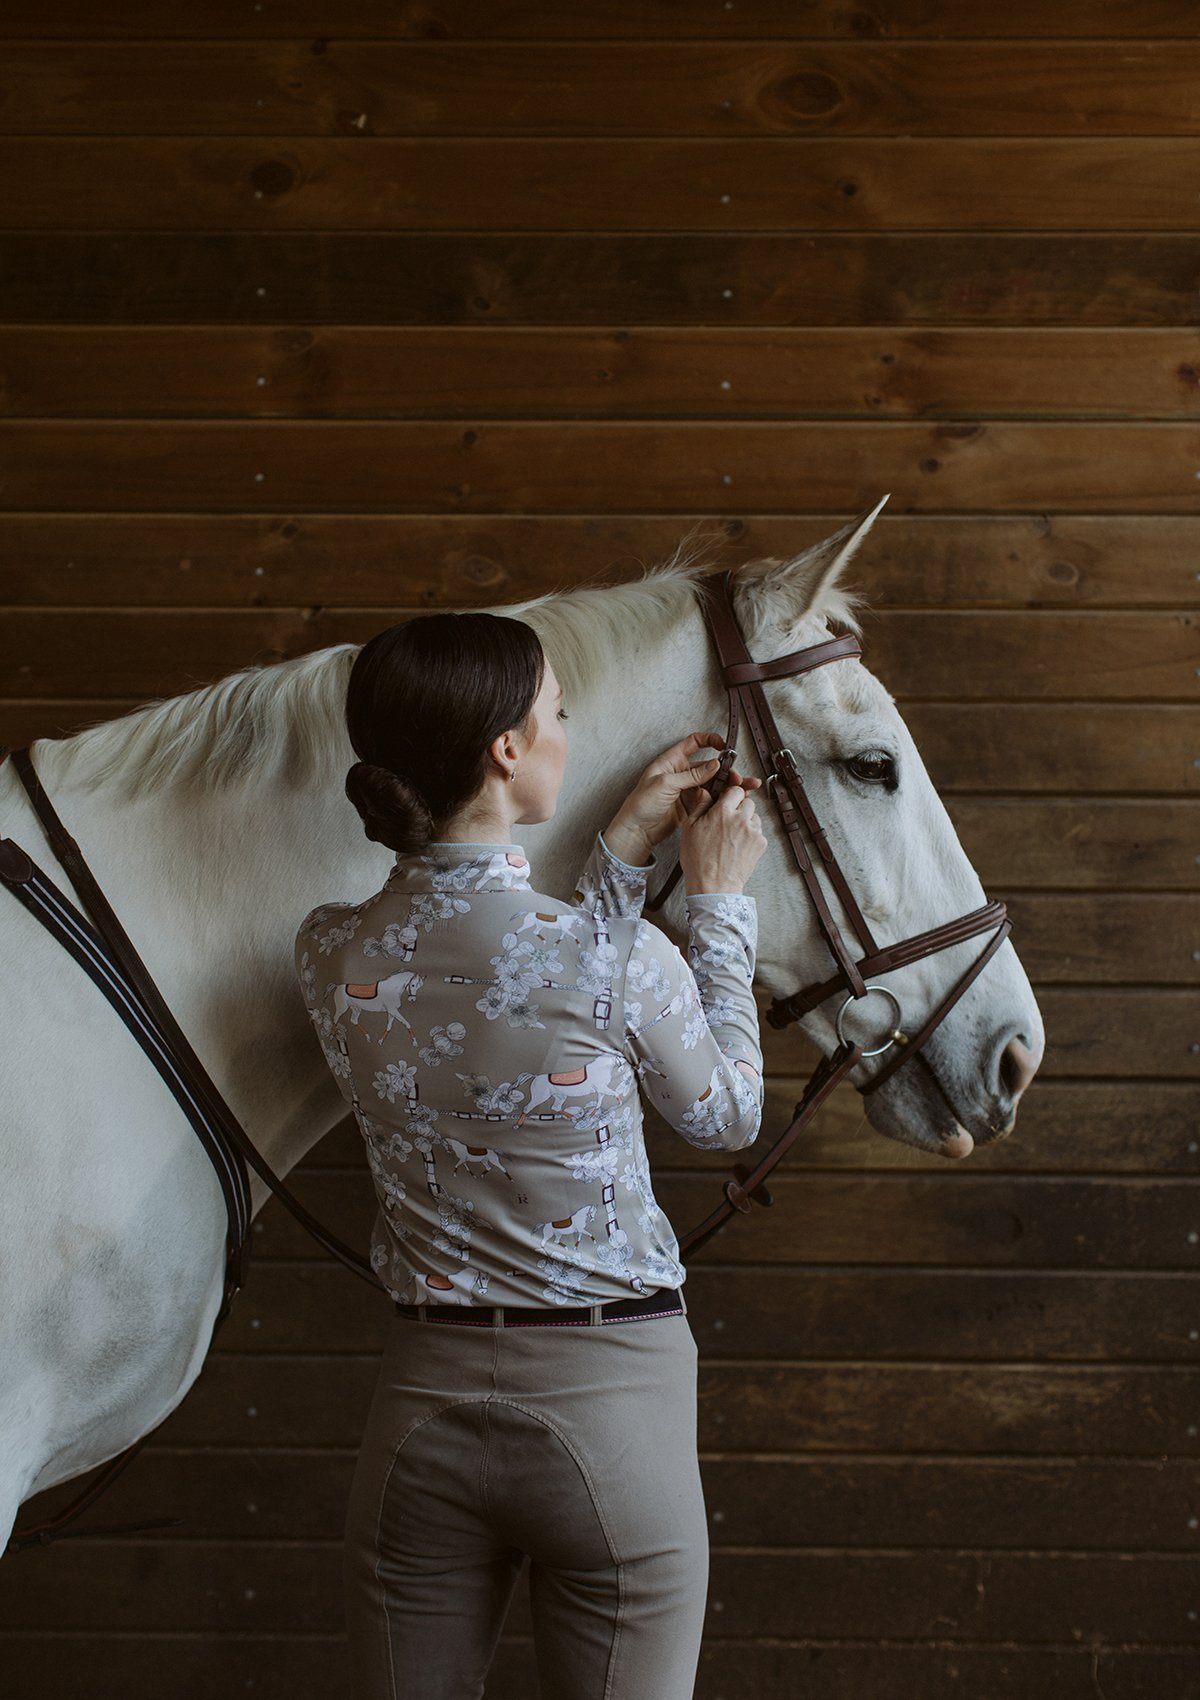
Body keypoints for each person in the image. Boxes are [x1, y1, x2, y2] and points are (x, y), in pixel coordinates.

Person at [293, 609, 767, 1700]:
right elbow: (726, 1113)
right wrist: (721, 907)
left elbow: (512, 983)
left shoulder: (329, 949)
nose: (566, 728)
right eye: (558, 711)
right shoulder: (620, 953)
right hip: (615, 1421)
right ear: (509, 748)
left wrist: (620, 851)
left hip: (419, 1422)